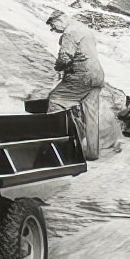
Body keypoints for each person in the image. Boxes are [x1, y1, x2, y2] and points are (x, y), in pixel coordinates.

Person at [46, 9, 105, 160]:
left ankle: (58, 149)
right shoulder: (85, 29)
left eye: (53, 25)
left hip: (82, 75)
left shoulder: (69, 33)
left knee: (56, 99)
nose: (53, 29)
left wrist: (57, 68)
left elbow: (65, 58)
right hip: (97, 75)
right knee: (91, 113)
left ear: (61, 19)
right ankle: (92, 153)